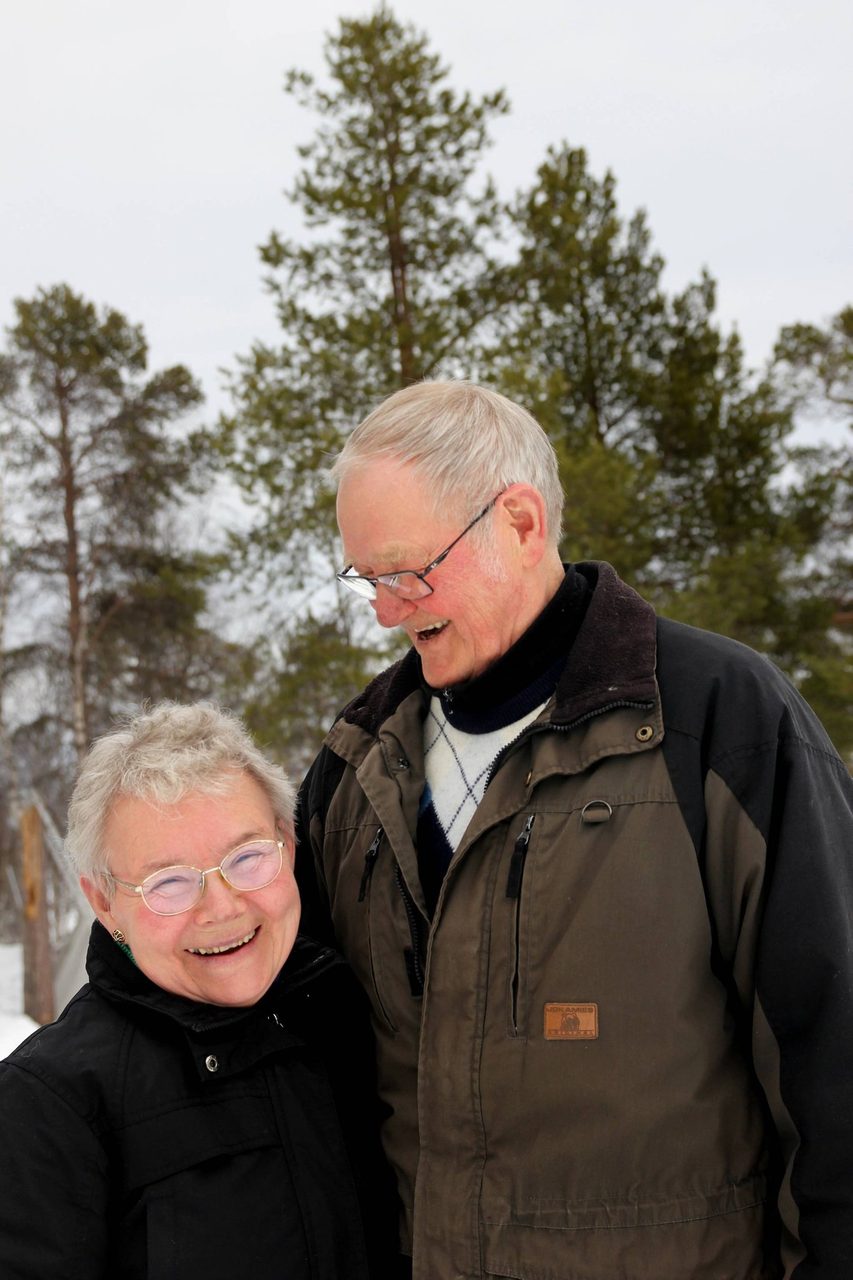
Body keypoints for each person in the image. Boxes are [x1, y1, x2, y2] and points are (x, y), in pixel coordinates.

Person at [295, 379, 853, 1279]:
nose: (385, 611)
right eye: (368, 577)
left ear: (519, 523)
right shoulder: (357, 766)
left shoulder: (718, 721)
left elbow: (833, 1056)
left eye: (408, 570)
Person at [0, 702, 399, 1280]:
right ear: (104, 902)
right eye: (169, 883)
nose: (223, 908)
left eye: (248, 858)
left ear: (288, 845)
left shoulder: (352, 1014)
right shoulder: (49, 1107)